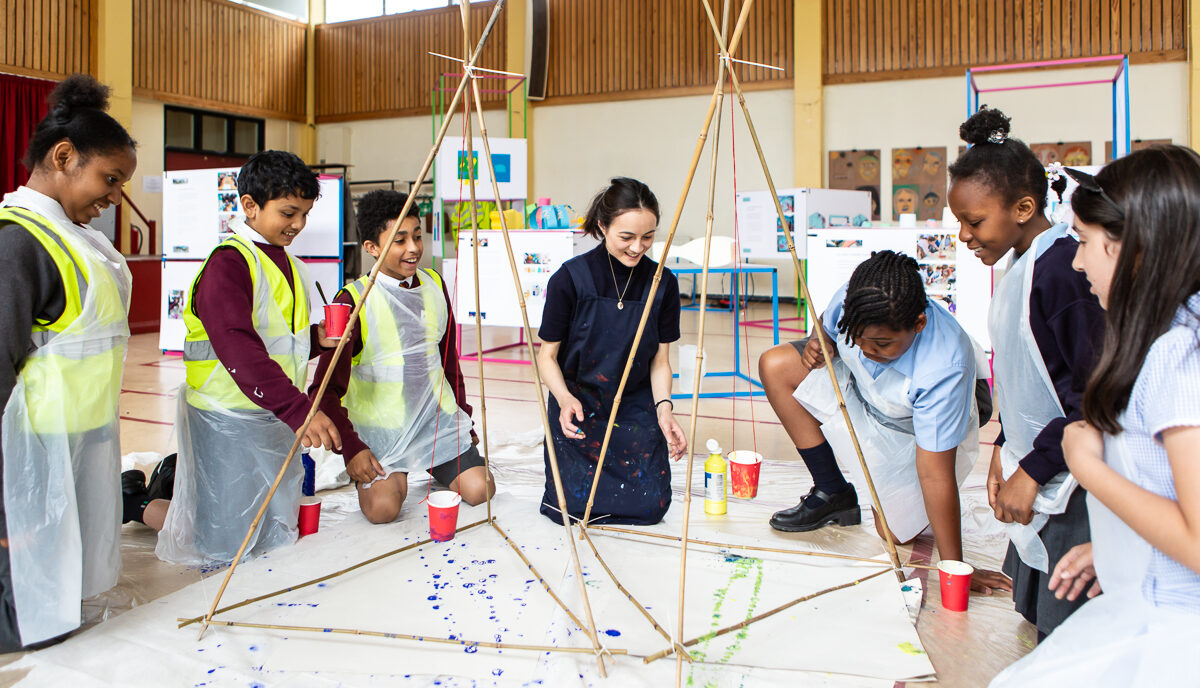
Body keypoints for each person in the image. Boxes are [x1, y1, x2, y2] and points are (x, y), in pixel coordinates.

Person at [991, 146, 1200, 685]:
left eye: (1084, 243)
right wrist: (1117, 547)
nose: (1077, 261)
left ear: (1134, 249)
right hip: (1152, 593)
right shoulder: (1164, 339)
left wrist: (1091, 471)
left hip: (1173, 629)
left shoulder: (1178, 360)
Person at [759, 251, 1009, 592]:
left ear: (918, 324)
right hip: (866, 395)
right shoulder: (859, 300)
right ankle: (832, 491)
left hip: (910, 431)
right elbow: (827, 325)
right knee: (775, 366)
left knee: (893, 534)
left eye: (880, 344)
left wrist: (956, 567)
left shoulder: (944, 365)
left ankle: (890, 502)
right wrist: (822, 342)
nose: (863, 351)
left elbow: (935, 474)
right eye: (856, 339)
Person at [948, 107, 1105, 640]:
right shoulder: (1022, 262)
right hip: (1040, 458)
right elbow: (1027, 375)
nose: (966, 237)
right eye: (960, 224)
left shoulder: (1061, 269)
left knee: (1072, 635)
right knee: (1037, 617)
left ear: (1023, 207)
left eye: (975, 222)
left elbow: (1093, 397)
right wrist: (1002, 448)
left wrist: (1034, 468)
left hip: (1074, 479)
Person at [0, 74, 135, 649]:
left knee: (58, 574)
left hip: (78, 432)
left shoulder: (79, 237)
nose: (113, 197)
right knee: (24, 584)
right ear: (63, 157)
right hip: (28, 443)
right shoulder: (19, 242)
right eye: (109, 179)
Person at [156, 150, 338, 565]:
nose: (298, 225)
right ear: (249, 206)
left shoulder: (290, 264)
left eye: (305, 215)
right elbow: (236, 343)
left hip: (269, 412)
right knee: (225, 542)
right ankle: (141, 504)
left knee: (273, 526)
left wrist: (315, 340)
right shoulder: (230, 264)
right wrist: (298, 409)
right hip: (227, 416)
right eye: (289, 212)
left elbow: (277, 340)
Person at [311, 190, 494, 523]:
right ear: (372, 248)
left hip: (435, 424)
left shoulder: (434, 284)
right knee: (383, 511)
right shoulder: (352, 301)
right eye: (399, 240)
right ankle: (395, 471)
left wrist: (462, 416)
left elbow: (448, 364)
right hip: (383, 435)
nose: (413, 248)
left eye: (417, 236)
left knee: (481, 491)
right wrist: (352, 449)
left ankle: (437, 462)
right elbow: (326, 389)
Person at [535, 177, 686, 525]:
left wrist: (664, 409)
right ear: (603, 227)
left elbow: (660, 362)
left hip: (633, 406)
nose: (638, 247)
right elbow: (547, 357)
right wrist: (563, 398)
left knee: (650, 509)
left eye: (648, 237)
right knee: (570, 509)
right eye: (627, 237)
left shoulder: (663, 283)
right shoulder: (569, 279)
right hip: (579, 407)